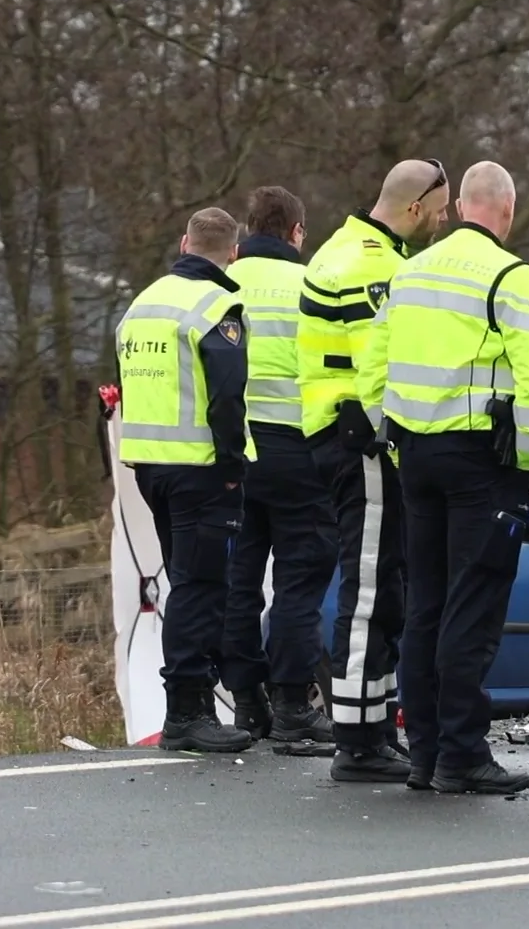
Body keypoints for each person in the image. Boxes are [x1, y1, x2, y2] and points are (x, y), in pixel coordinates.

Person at [358, 160, 529, 795]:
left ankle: (424, 753)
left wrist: (392, 439)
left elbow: (373, 367)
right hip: (479, 463)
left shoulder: (409, 271)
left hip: (416, 458)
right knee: (473, 607)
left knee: (427, 606)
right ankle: (463, 755)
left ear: (462, 205)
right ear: (507, 208)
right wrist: (524, 458)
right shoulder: (510, 276)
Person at [297, 158, 448, 782]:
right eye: (438, 214)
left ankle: (372, 728)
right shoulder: (379, 267)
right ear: (414, 209)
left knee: (380, 584)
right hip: (361, 436)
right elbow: (384, 368)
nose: (440, 226)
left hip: (335, 429)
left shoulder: (342, 246)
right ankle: (358, 741)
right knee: (368, 588)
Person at [115, 206, 258, 753]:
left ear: (184, 242)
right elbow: (227, 395)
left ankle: (194, 703)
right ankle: (186, 711)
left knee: (185, 582)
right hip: (200, 469)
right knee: (200, 589)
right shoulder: (219, 305)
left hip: (149, 466)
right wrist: (230, 463)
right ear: (234, 253)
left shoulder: (142, 302)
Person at [218, 186, 337, 744]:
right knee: (299, 580)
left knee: (240, 581)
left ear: (249, 227)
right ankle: (293, 702)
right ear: (296, 232)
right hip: (297, 449)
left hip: (234, 452)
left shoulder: (221, 285)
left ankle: (246, 702)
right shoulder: (311, 283)